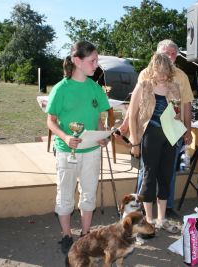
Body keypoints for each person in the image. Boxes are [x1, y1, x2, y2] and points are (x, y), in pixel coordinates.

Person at [116, 39, 194, 218]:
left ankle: (164, 212)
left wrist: (188, 131)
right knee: (147, 173)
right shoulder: (145, 75)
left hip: (171, 133)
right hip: (150, 133)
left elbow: (186, 106)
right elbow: (135, 109)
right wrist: (128, 130)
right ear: (157, 56)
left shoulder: (180, 78)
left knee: (168, 173)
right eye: (167, 53)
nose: (170, 57)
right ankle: (140, 211)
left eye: (173, 53)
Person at [46, 41, 110, 254]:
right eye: (93, 61)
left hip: (92, 152)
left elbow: (99, 120)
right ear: (77, 61)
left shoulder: (95, 88)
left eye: (97, 60)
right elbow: (51, 121)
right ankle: (66, 236)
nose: (96, 65)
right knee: (65, 195)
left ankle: (85, 235)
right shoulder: (60, 89)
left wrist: (102, 136)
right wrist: (65, 137)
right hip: (67, 152)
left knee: (89, 195)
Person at [128, 53, 181, 233]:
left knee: (166, 176)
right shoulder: (143, 86)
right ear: (152, 69)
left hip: (170, 136)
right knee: (149, 177)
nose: (162, 76)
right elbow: (132, 116)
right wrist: (135, 142)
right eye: (159, 72)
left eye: (166, 72)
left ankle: (161, 219)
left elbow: (177, 114)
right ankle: (148, 219)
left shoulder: (174, 87)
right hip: (150, 135)